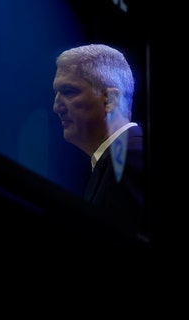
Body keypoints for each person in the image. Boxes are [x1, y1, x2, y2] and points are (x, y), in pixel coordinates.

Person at [52, 43, 149, 247]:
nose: (56, 107)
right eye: (56, 93)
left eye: (68, 92)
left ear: (109, 100)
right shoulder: (117, 159)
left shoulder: (130, 157)